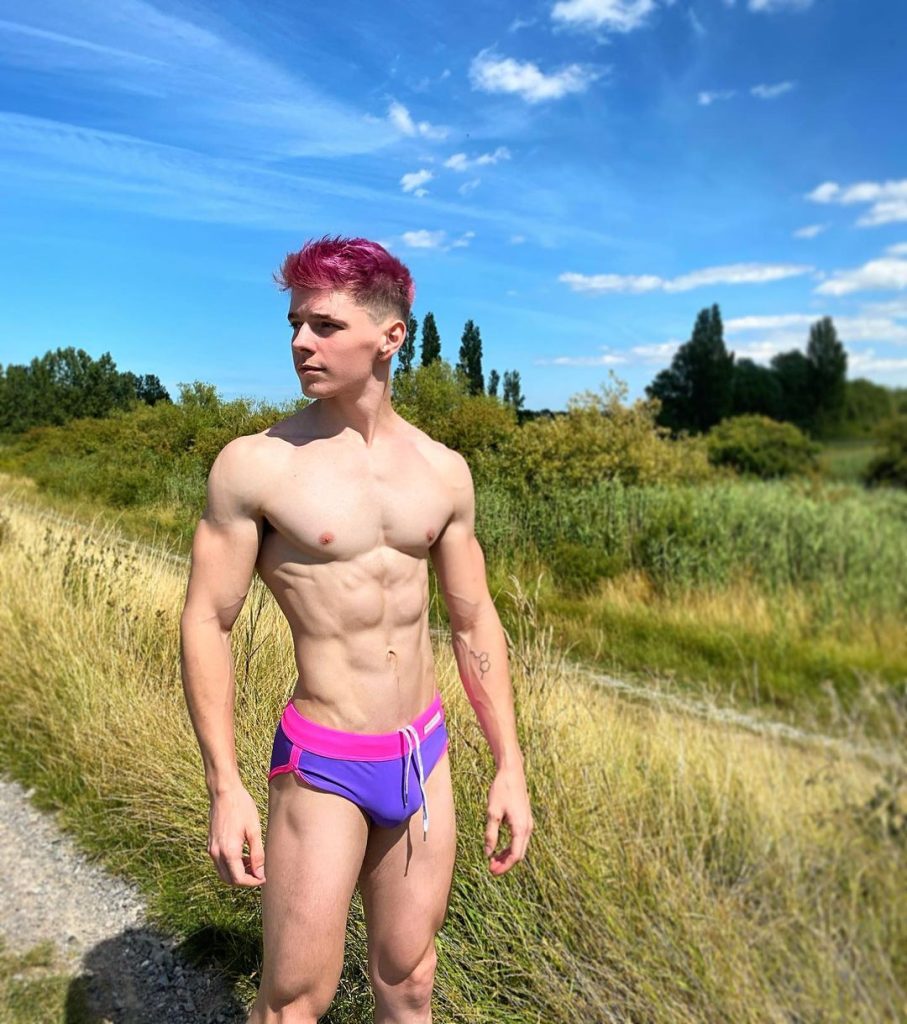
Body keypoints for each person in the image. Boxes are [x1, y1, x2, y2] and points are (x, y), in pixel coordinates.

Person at [179, 235, 534, 1024]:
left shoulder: (443, 471)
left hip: (421, 754)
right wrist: (224, 786)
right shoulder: (256, 465)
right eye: (295, 325)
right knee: (294, 1000)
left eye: (326, 325)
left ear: (390, 336)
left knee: (409, 983)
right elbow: (207, 620)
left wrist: (509, 764)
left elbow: (473, 618)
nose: (301, 343)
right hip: (324, 763)